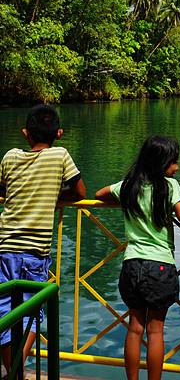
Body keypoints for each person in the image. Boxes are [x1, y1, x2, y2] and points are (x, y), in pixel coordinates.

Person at [95, 135, 180, 380]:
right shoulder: (169, 186)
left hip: (132, 264)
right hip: (160, 265)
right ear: (162, 164)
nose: (177, 167)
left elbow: (100, 193)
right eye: (173, 162)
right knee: (155, 332)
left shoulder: (129, 185)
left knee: (135, 328)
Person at [0, 104, 86, 372]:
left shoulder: (11, 157)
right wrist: (55, 198)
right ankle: (15, 370)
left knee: (4, 314)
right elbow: (81, 192)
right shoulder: (60, 155)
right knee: (32, 314)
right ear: (59, 133)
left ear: (26, 133)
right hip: (35, 252)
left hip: (4, 247)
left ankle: (14, 371)